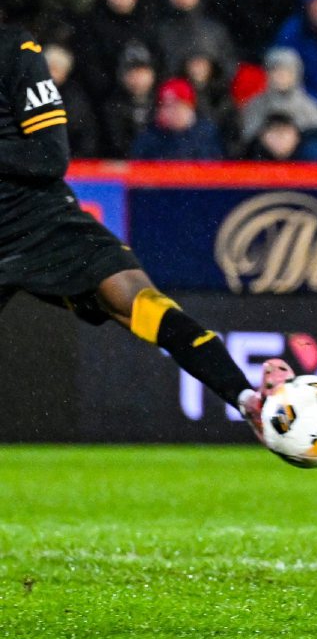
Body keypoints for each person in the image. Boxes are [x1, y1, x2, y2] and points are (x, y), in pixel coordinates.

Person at [0, 26, 291, 446]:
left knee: (139, 302)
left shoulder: (15, 51)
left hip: (39, 219)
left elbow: (49, 155)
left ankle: (246, 399)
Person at [130, 77, 224, 160]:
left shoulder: (207, 135)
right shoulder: (149, 137)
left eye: (178, 106)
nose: (172, 112)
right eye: (166, 106)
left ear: (190, 108)